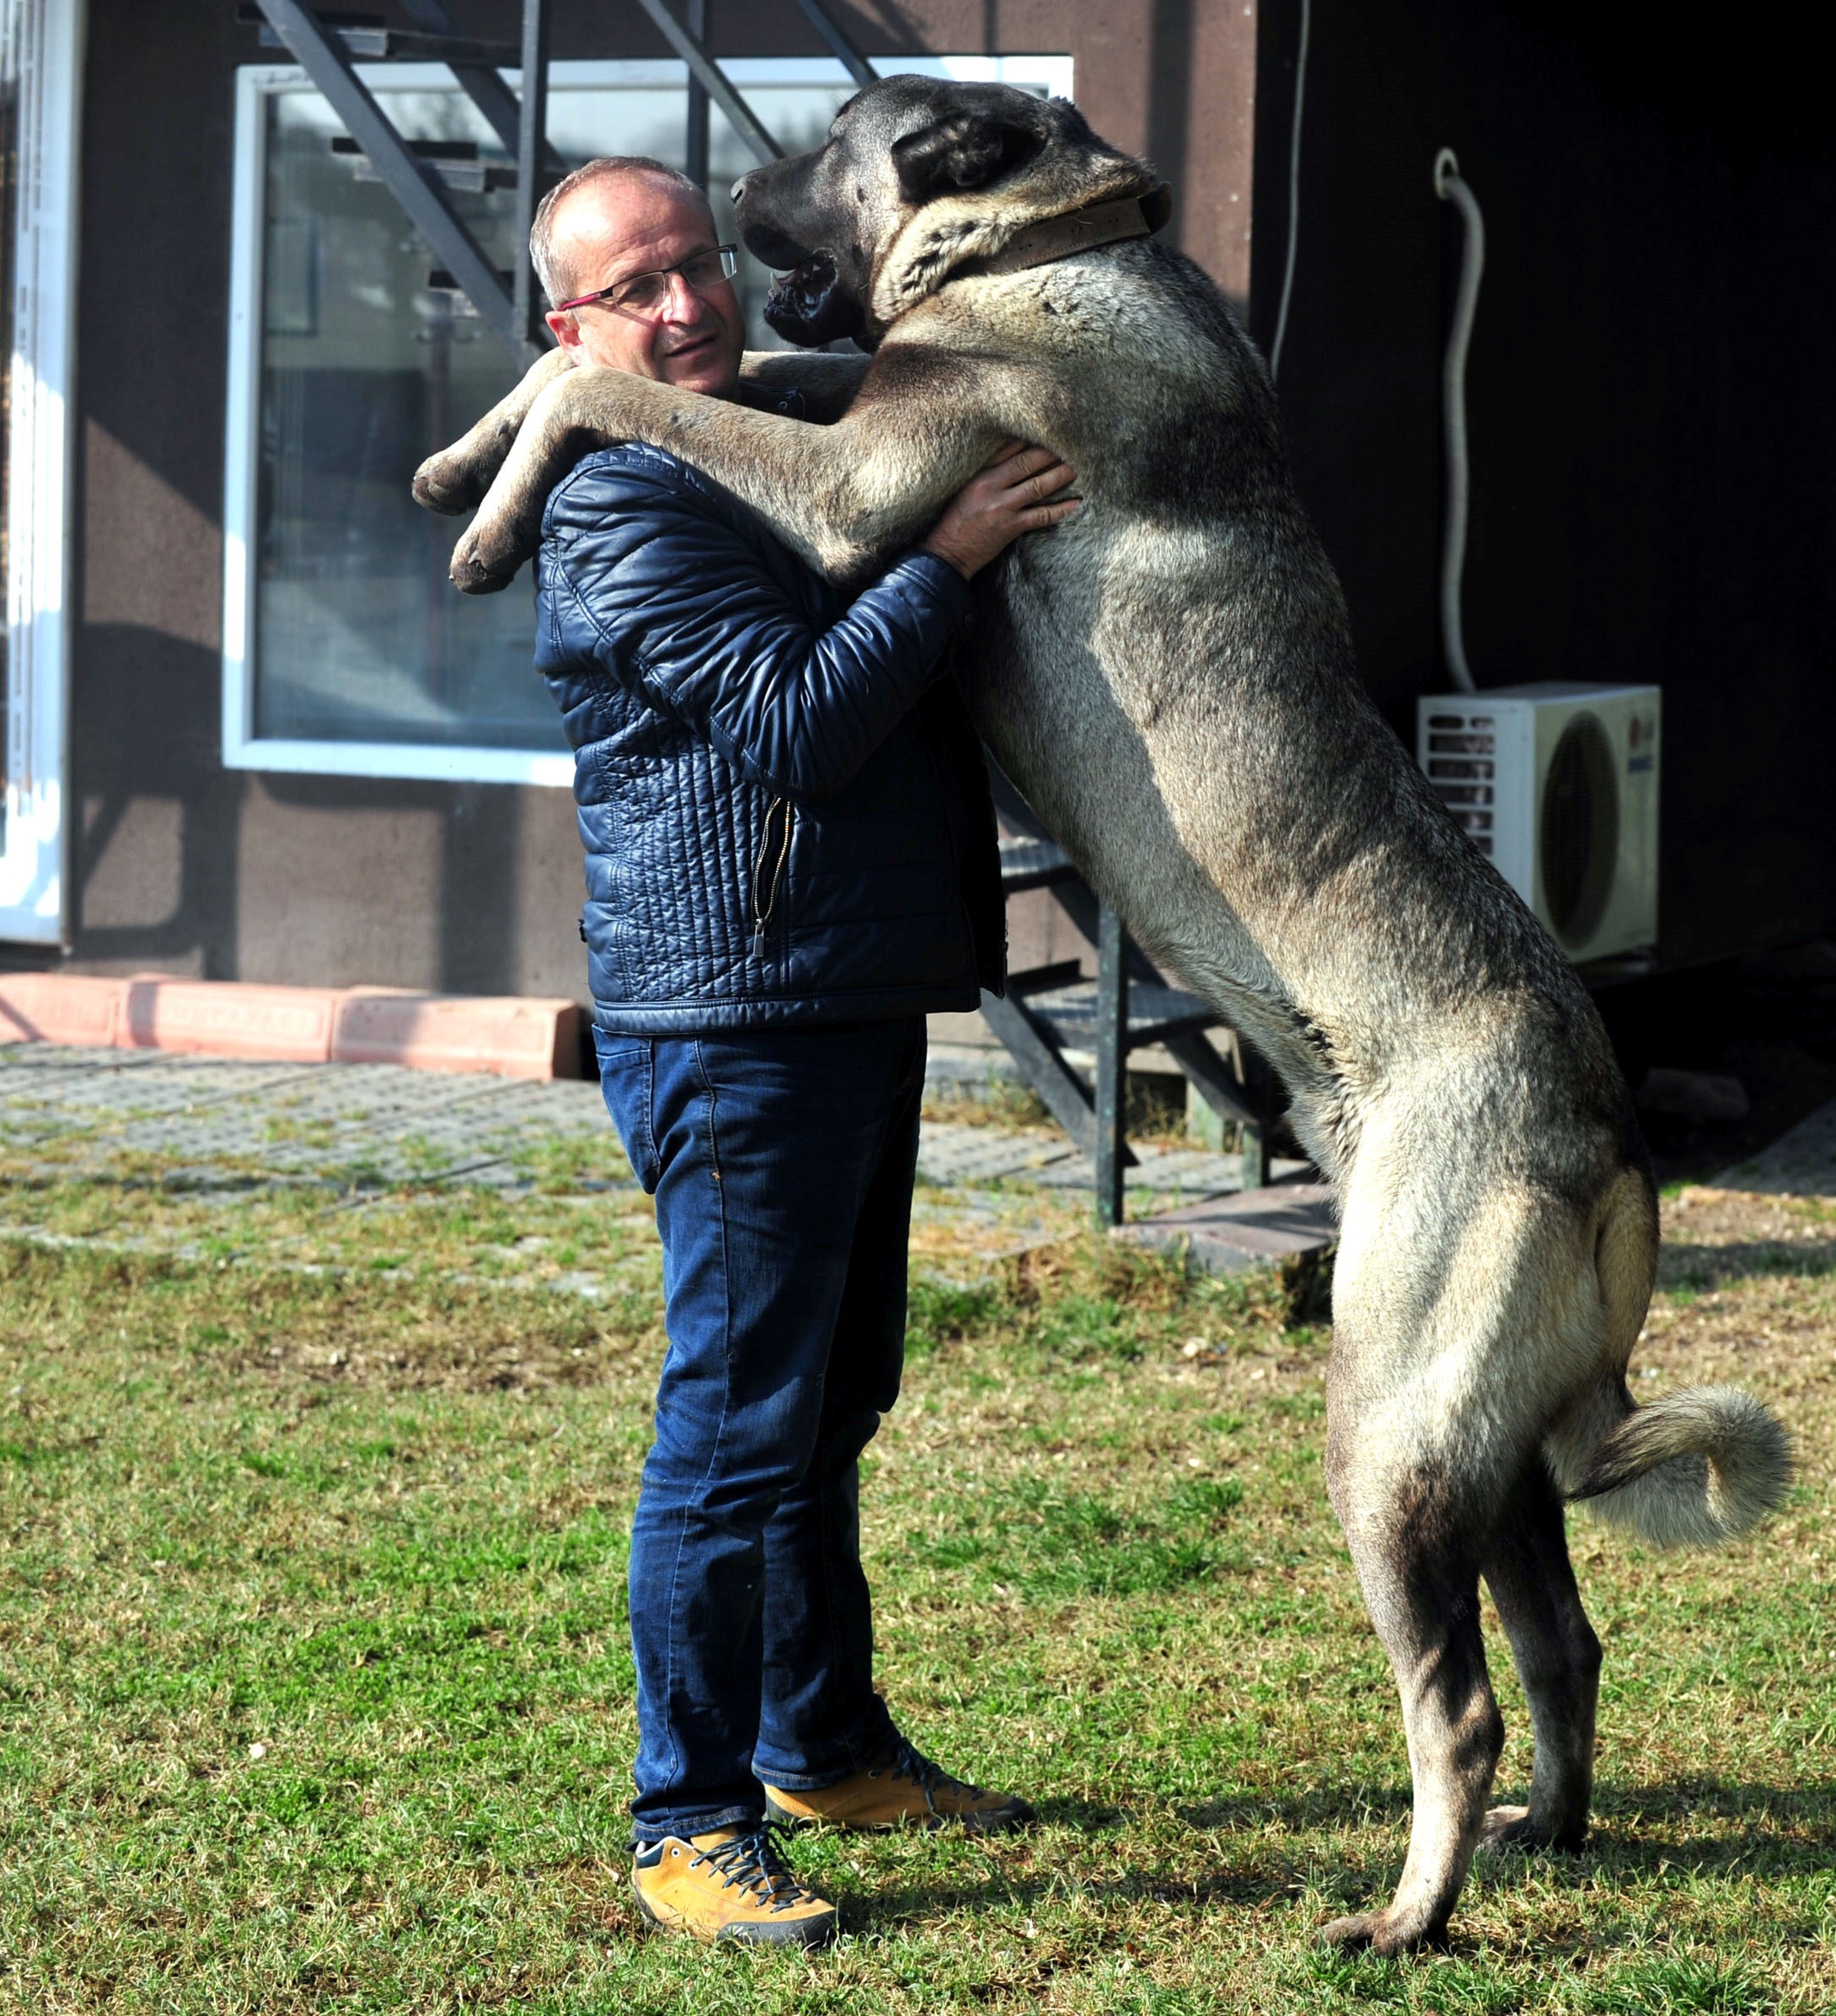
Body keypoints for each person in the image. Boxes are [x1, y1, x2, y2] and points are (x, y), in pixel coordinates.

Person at [522, 154, 1079, 1949]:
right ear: (573, 332)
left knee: (831, 1404)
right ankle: (686, 1822)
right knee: (736, 1434)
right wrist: (949, 559)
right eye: (639, 292)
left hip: (834, 992)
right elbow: (795, 725)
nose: (687, 308)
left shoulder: (745, 444)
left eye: (698, 269)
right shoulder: (621, 497)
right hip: (729, 1021)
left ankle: (820, 1746)